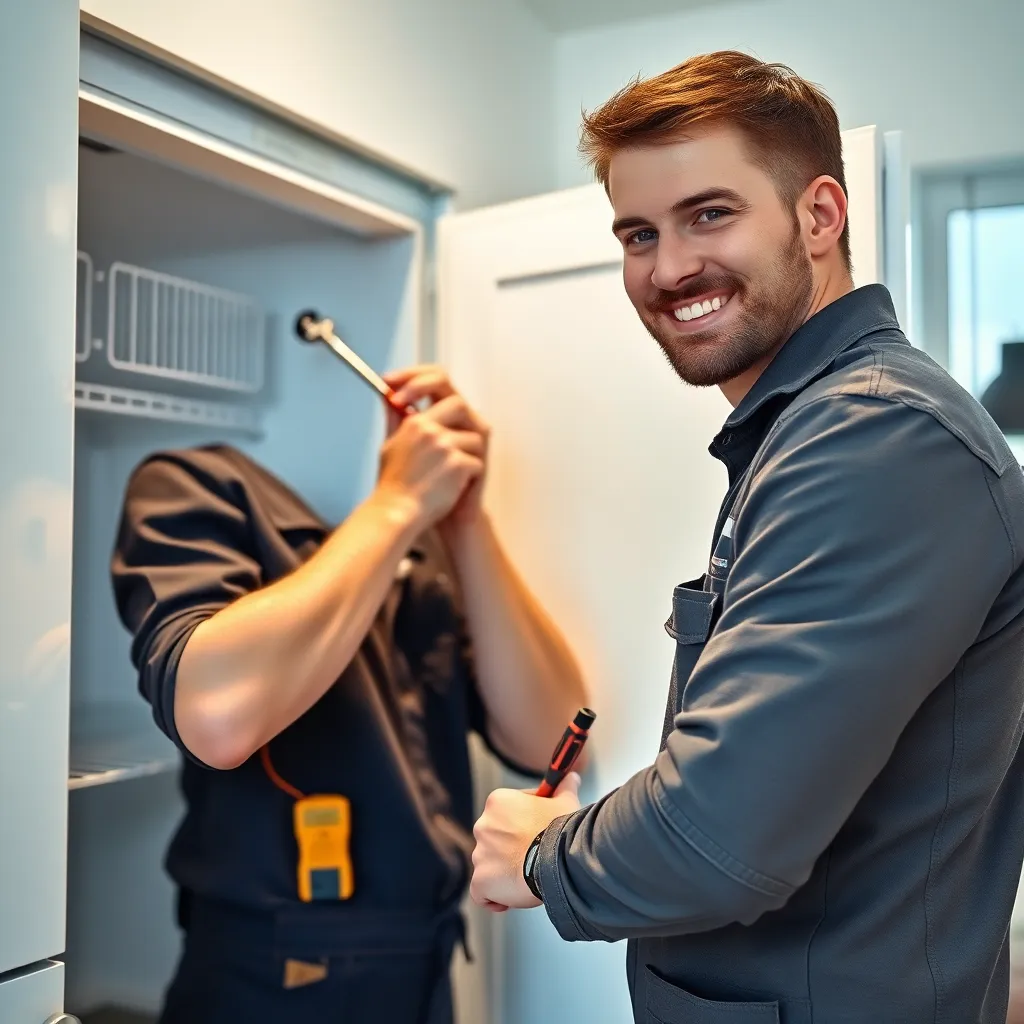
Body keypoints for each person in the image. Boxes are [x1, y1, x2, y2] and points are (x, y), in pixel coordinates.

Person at [470, 50, 1024, 1022]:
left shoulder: (876, 434)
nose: (669, 267)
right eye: (637, 233)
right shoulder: (805, 428)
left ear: (818, 216)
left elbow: (713, 836)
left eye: (708, 214)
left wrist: (542, 851)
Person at [110, 365, 588, 1024]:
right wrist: (396, 505)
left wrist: (464, 523)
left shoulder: (416, 574)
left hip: (423, 974)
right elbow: (216, 719)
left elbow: (552, 736)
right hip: (265, 987)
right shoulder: (188, 489)